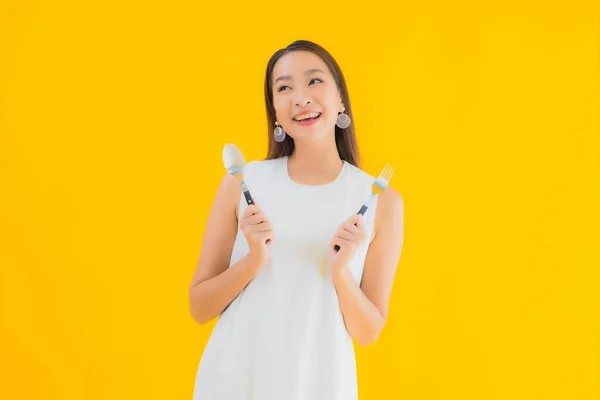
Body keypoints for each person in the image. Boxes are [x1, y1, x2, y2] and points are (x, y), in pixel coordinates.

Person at [189, 40, 404, 399]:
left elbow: (367, 332)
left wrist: (340, 272)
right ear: (275, 111)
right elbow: (200, 307)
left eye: (314, 81)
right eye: (284, 87)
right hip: (235, 377)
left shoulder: (380, 201)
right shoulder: (242, 182)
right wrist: (254, 259)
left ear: (340, 99)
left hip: (319, 381)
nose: (300, 98)